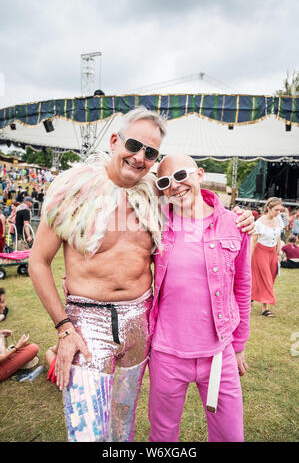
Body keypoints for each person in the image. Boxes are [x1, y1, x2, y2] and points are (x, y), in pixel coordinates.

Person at [28, 107, 254, 443]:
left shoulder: (155, 194)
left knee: (123, 428)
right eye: (134, 145)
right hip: (88, 323)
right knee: (88, 432)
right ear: (115, 140)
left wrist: (238, 217)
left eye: (150, 152)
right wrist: (64, 328)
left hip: (141, 323)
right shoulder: (72, 190)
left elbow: (195, 202)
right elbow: (38, 262)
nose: (140, 157)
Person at [147, 154, 251, 442]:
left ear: (200, 174)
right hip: (167, 354)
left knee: (230, 436)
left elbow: (242, 287)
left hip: (219, 353)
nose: (176, 186)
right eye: (165, 182)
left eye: (182, 175)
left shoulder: (234, 224)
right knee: (163, 436)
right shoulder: (155, 225)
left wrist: (239, 344)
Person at [251, 197, 284, 318]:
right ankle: (265, 309)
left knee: (271, 278)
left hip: (273, 253)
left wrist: (279, 253)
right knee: (266, 280)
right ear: (269, 208)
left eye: (280, 210)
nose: (278, 212)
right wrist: (249, 259)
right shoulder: (259, 223)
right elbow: (253, 241)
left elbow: (279, 237)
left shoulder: (279, 219)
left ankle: (250, 297)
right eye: (276, 210)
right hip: (260, 253)